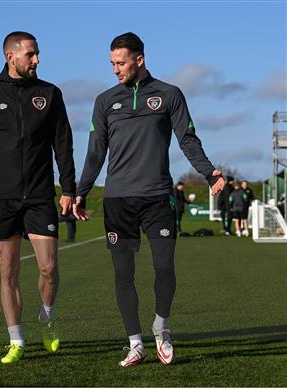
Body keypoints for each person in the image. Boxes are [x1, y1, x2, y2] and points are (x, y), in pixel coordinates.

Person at [73, 32, 225, 367]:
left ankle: (162, 326)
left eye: (121, 62)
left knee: (164, 265)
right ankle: (135, 343)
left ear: (139, 60)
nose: (115, 69)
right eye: (112, 63)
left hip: (157, 196)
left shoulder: (169, 95)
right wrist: (82, 191)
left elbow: (187, 138)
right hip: (118, 200)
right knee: (123, 273)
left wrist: (209, 172)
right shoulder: (104, 100)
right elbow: (95, 152)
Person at [0, 31, 75, 364]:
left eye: (37, 53)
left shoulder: (50, 94)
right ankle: (16, 340)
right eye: (31, 54)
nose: (37, 60)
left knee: (48, 268)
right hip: (4, 200)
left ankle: (47, 315)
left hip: (41, 196)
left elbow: (63, 145)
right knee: (8, 273)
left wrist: (68, 188)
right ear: (11, 56)